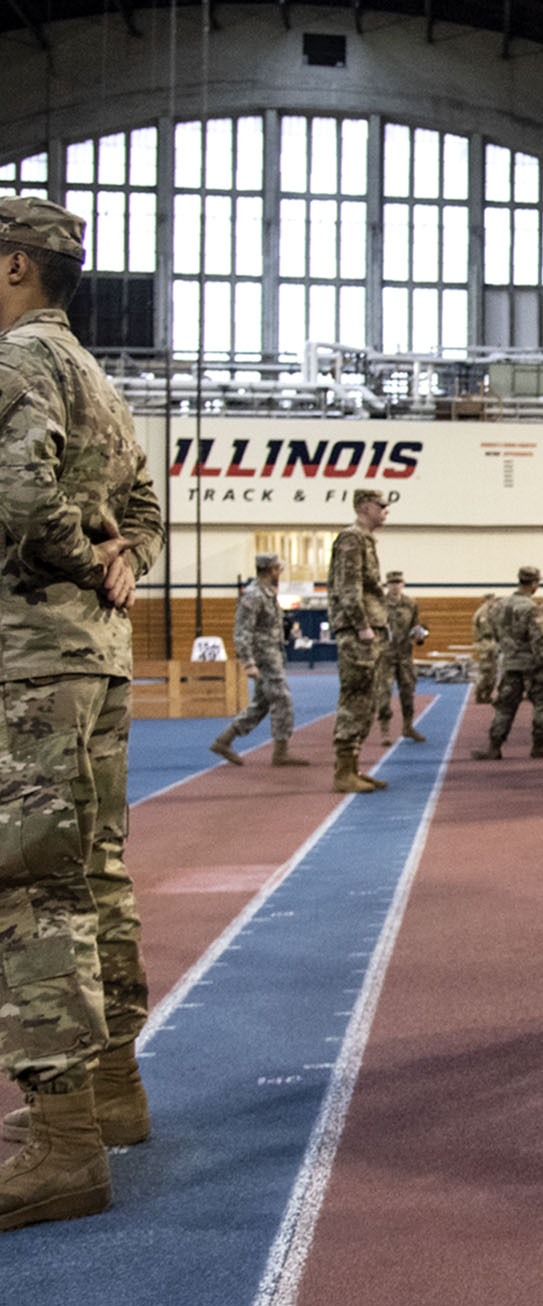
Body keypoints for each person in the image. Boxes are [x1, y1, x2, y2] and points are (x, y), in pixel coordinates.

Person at [0, 196, 164, 1229]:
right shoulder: (98, 378)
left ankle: (57, 1140)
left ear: (17, 265)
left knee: (26, 883)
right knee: (93, 866)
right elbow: (144, 509)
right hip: (94, 660)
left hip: (30, 658)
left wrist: (71, 551)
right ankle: (114, 1091)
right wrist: (120, 560)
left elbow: (15, 498)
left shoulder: (19, 359)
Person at [210, 553, 311, 769]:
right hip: (264, 658)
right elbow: (241, 631)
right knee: (282, 700)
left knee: (262, 704)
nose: (279, 573)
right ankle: (281, 753)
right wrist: (248, 663)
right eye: (277, 569)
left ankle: (223, 741)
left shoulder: (267, 593)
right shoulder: (254, 595)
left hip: (272, 655)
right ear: (269, 570)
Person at [328, 488, 392, 794]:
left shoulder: (365, 540)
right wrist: (363, 627)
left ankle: (352, 767)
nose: (386, 510)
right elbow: (348, 587)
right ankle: (343, 772)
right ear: (365, 507)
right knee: (355, 698)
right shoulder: (352, 538)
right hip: (359, 634)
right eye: (381, 505)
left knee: (367, 699)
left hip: (369, 630)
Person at [471, 567, 543, 760]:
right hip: (533, 664)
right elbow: (538, 638)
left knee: (505, 705)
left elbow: (495, 633)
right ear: (534, 584)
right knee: (542, 704)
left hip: (510, 662)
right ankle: (540, 745)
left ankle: (494, 746)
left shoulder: (499, 606)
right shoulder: (531, 608)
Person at [374, 570, 426, 747]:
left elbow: (415, 628)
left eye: (398, 582)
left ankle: (408, 726)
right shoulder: (379, 603)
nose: (395, 586)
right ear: (387, 585)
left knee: (408, 691)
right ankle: (384, 731)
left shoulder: (411, 604)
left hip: (404, 655)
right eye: (392, 583)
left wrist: (419, 637)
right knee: (384, 693)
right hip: (385, 655)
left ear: (403, 584)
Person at [471, 591, 500, 704]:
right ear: (488, 600)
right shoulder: (483, 612)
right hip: (485, 644)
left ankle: (486, 695)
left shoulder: (488, 611)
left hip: (489, 644)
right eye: (493, 600)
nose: (495, 603)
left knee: (492, 672)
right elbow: (487, 630)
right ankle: (479, 694)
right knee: (486, 671)